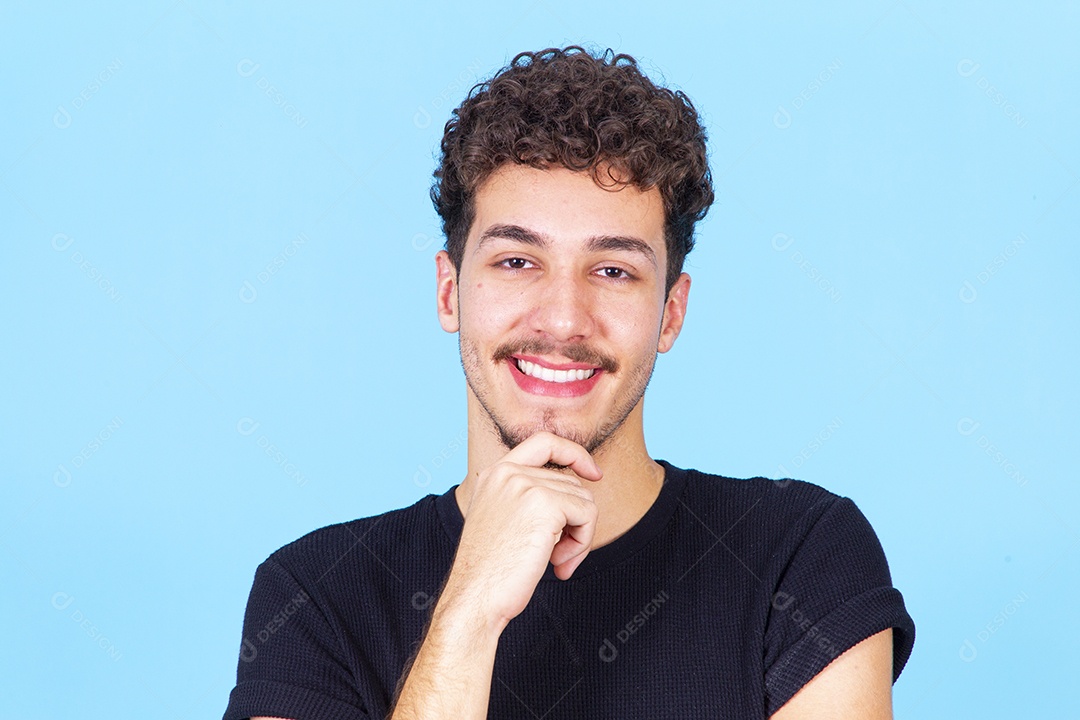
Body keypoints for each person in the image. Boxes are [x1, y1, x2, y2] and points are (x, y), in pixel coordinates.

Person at [223, 46, 915, 720]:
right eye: (518, 261)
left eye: (613, 270)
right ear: (448, 293)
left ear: (670, 313)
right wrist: (468, 614)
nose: (562, 319)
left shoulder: (801, 558)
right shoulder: (317, 594)